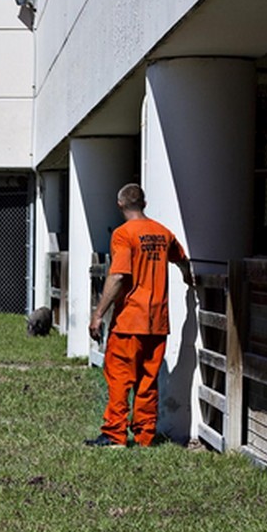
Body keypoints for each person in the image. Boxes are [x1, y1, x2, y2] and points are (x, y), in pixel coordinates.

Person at [86, 183, 194, 448]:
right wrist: (188, 278)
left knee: (120, 378)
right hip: (158, 322)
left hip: (130, 321)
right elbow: (181, 259)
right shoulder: (162, 233)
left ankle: (114, 435)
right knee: (148, 380)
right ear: (144, 203)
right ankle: (145, 436)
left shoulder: (124, 235)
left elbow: (119, 275)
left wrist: (99, 313)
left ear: (120, 204)